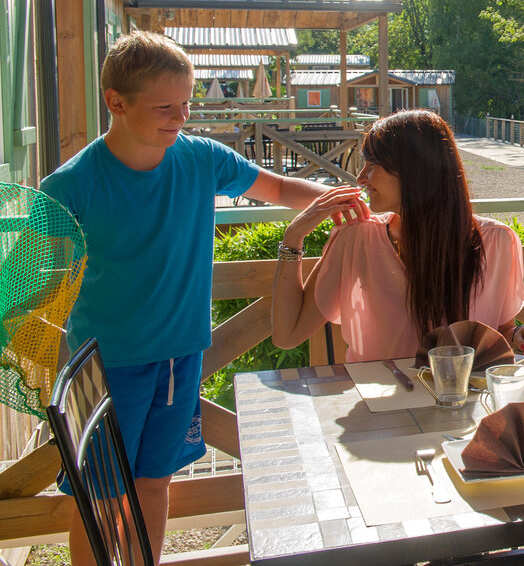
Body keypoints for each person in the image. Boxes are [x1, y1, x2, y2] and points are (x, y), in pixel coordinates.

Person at [40, 31, 345, 566]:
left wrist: (346, 201)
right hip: (104, 369)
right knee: (102, 499)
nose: (180, 116)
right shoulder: (71, 185)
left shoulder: (201, 157)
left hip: (181, 359)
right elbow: (38, 278)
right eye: (165, 106)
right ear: (116, 101)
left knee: (155, 486)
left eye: (186, 103)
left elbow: (275, 189)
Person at [271, 108, 524, 363]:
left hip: (463, 407)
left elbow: (500, 333)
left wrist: (523, 334)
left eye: (372, 164)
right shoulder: (356, 238)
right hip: (381, 410)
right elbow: (288, 335)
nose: (360, 178)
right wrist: (294, 236)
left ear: (415, 172)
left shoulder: (497, 242)